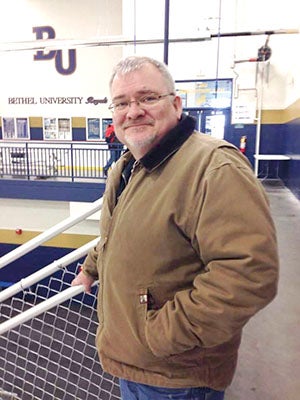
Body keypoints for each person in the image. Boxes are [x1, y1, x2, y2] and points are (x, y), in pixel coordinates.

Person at [72, 56, 279, 400]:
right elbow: (118, 235)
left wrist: (161, 335)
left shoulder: (214, 168)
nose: (133, 111)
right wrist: (91, 268)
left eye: (148, 98)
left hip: (177, 379)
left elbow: (250, 274)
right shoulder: (128, 167)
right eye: (121, 103)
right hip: (135, 365)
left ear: (176, 104)